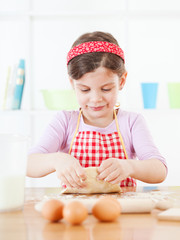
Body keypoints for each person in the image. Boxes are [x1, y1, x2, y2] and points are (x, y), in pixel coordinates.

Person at [27, 31, 167, 189]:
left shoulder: (131, 122)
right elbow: (28, 163)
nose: (95, 99)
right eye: (85, 90)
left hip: (121, 210)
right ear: (72, 83)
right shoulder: (65, 121)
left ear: (122, 81)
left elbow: (159, 170)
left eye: (106, 89)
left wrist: (129, 167)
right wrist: (56, 160)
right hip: (76, 210)